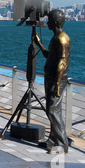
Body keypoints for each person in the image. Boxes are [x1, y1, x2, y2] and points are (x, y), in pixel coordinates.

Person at [34, 10, 71, 154]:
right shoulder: (55, 38)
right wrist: (39, 44)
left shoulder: (62, 38)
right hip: (50, 78)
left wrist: (57, 83)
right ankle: (53, 139)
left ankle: (62, 144)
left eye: (49, 20)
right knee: (54, 110)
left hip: (56, 80)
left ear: (55, 22)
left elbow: (62, 62)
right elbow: (50, 57)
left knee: (52, 111)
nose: (47, 22)